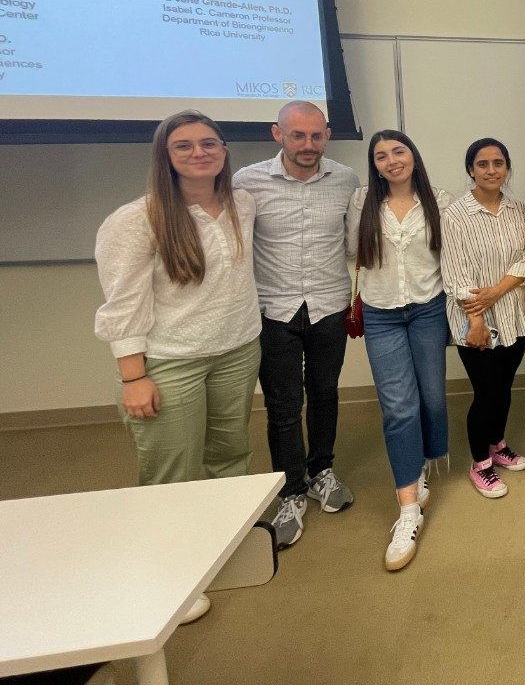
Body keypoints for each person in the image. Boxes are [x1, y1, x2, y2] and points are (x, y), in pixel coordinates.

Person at [95, 110, 260, 623]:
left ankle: (221, 548)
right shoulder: (136, 219)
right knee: (172, 471)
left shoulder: (243, 204)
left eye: (209, 143)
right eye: (184, 146)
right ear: (164, 157)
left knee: (229, 455)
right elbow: (122, 304)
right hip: (170, 361)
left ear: (224, 151)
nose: (199, 153)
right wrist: (133, 375)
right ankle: (173, 576)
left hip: (237, 349)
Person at [234, 101, 359, 548]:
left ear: (327, 134)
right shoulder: (246, 182)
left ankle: (322, 470)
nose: (308, 145)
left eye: (316, 136)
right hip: (274, 310)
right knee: (284, 407)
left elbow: (355, 240)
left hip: (328, 305)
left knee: (325, 394)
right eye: (297, 136)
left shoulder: (346, 179)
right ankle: (291, 489)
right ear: (277, 134)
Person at [347, 129, 452, 570]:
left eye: (399, 151)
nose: (391, 161)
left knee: (431, 399)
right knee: (399, 407)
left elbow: (453, 254)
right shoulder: (361, 204)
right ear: (374, 165)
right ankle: (408, 507)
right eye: (381, 156)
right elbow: (354, 252)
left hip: (429, 309)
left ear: (413, 156)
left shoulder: (441, 202)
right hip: (382, 313)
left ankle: (425, 461)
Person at [441, 138, 525, 500]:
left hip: (512, 313)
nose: (491, 170)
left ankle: (498, 444)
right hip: (473, 317)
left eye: (498, 163)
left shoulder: (518, 210)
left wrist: (496, 292)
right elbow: (456, 273)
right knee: (486, 391)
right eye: (483, 164)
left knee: (505, 386)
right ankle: (480, 463)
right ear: (471, 170)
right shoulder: (455, 214)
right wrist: (476, 321)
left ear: (507, 168)